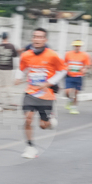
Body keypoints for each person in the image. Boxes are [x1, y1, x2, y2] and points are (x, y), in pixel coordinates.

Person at [18, 27, 66, 159]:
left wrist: (48, 83)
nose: (37, 39)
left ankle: (49, 120)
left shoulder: (52, 55)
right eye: (35, 36)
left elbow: (62, 71)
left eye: (40, 37)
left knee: (43, 125)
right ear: (32, 39)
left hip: (46, 95)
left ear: (45, 39)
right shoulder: (26, 54)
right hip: (30, 92)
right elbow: (22, 68)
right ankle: (30, 147)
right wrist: (18, 77)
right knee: (27, 119)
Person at [63, 40, 90, 114]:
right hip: (69, 75)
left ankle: (74, 108)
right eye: (76, 46)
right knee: (67, 91)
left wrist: (85, 69)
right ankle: (69, 100)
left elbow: (88, 65)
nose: (77, 47)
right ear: (74, 46)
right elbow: (64, 63)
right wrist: (66, 67)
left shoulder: (84, 55)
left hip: (78, 76)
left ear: (80, 47)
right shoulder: (68, 54)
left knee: (76, 92)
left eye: (78, 46)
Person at [0, 32, 19, 109]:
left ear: (2, 38)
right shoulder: (11, 46)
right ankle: (11, 101)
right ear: (7, 37)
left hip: (0, 67)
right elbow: (15, 55)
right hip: (8, 68)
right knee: (8, 85)